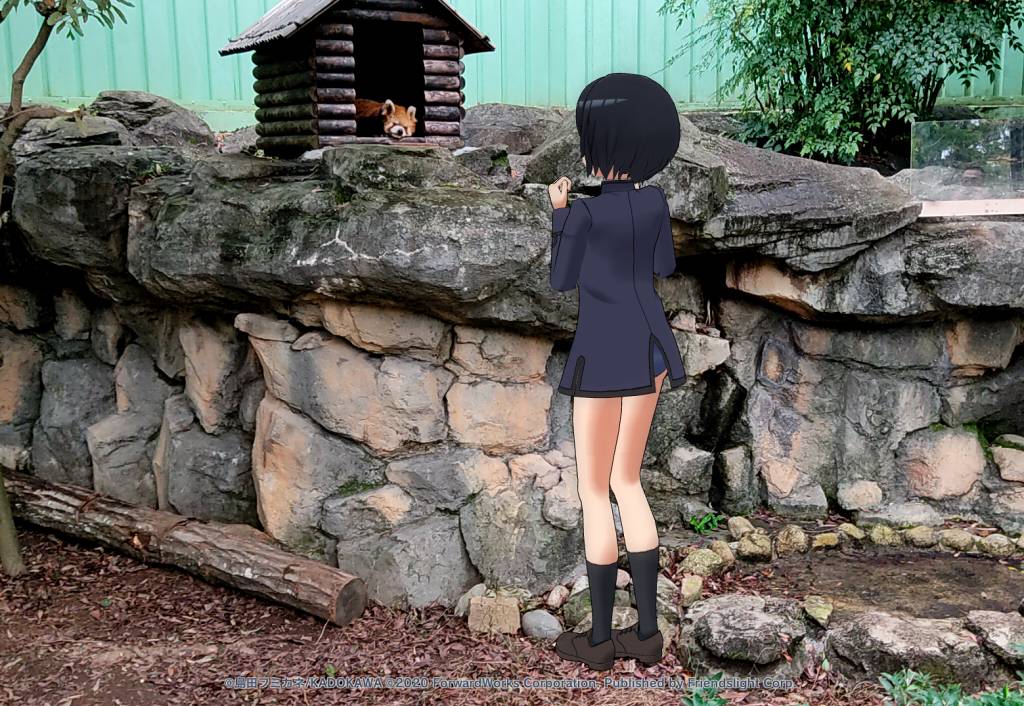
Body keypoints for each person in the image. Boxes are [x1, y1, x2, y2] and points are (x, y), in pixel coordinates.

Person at [547, 73, 686, 672]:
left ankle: (600, 640)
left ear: (596, 145)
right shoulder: (655, 203)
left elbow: (561, 280)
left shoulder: (583, 213)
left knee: (593, 491)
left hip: (602, 356)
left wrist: (559, 215)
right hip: (650, 352)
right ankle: (647, 634)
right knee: (629, 482)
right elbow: (664, 266)